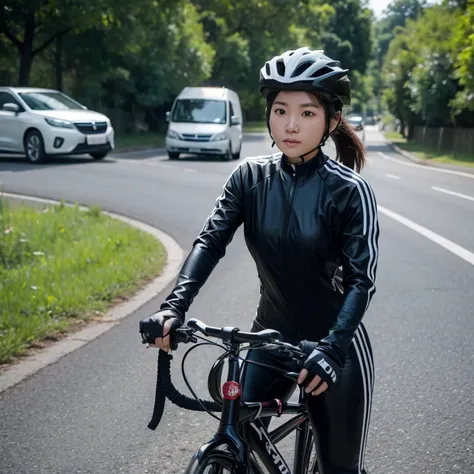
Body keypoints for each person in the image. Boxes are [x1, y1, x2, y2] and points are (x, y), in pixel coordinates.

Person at [140, 47, 380, 474]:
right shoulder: (249, 177)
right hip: (269, 337)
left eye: (307, 113)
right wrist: (173, 308)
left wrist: (331, 347)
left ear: (332, 120)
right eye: (280, 109)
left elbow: (362, 282)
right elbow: (210, 241)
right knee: (238, 431)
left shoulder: (349, 191)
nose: (290, 125)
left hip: (334, 348)